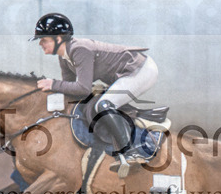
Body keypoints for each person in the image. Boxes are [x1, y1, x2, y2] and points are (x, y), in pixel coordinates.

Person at [31, 12, 159, 176]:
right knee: (97, 103)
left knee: (104, 105)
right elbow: (70, 90)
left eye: (44, 39)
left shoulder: (79, 49)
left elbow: (83, 88)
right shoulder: (64, 57)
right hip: (126, 73)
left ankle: (131, 152)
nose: (40, 43)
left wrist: (53, 84)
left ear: (59, 38)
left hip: (141, 70)